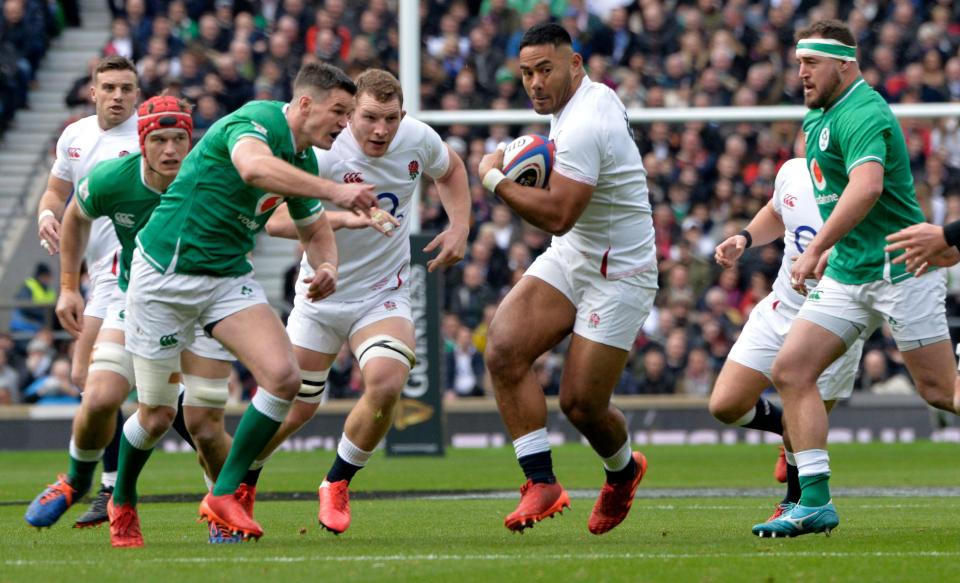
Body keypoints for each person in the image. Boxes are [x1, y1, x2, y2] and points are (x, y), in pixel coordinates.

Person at [114, 62, 375, 547]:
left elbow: (315, 230)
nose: (344, 123)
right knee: (155, 416)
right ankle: (123, 500)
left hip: (226, 277)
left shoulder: (303, 160)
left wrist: (329, 269)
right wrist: (337, 190)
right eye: (338, 111)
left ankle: (226, 493)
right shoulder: (255, 120)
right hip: (165, 276)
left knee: (284, 377)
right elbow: (252, 167)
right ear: (304, 104)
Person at [758, 20, 958, 538]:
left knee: (940, 390)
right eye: (799, 62)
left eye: (811, 63)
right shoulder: (823, 116)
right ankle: (815, 501)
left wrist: (817, 246)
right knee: (792, 369)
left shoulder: (864, 110)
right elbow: (846, 197)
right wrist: (834, 250)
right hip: (850, 271)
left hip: (901, 266)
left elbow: (867, 188)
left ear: (844, 63)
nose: (801, 73)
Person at [249, 68, 470, 534]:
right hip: (320, 294)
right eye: (369, 117)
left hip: (382, 293)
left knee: (388, 381)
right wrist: (343, 218)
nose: (380, 130)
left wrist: (459, 226)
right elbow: (274, 222)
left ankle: (337, 482)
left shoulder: (417, 139)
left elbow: (450, 169)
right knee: (296, 408)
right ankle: (242, 479)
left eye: (390, 118)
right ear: (350, 115)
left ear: (402, 114)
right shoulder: (323, 151)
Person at [22, 97, 237, 545]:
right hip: (134, 296)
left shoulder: (214, 174)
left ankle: (222, 506)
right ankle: (79, 481)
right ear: (142, 142)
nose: (171, 149)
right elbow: (75, 216)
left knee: (204, 426)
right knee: (99, 396)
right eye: (160, 139)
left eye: (180, 138)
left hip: (204, 301)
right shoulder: (114, 178)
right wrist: (67, 286)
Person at [477, 23, 657, 535]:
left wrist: (494, 178)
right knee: (503, 350)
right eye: (527, 73)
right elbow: (566, 227)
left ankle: (623, 473)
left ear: (576, 64)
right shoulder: (576, 103)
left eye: (545, 69)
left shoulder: (585, 123)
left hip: (620, 272)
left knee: (580, 404)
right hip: (575, 255)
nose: (534, 82)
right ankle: (541, 482)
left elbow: (558, 214)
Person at [711, 151, 864, 526]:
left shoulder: (861, 187)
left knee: (802, 420)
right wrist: (745, 238)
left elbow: (871, 243)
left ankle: (796, 501)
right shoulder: (793, 171)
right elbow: (778, 212)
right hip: (781, 305)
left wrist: (829, 255)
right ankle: (788, 428)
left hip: (834, 315)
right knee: (725, 405)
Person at [35, 55, 140, 527]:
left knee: (98, 381)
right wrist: (45, 214)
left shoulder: (147, 137)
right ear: (93, 92)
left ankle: (108, 488)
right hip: (98, 274)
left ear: (137, 94)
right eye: (110, 87)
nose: (118, 96)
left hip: (136, 270)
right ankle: (110, 487)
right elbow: (57, 193)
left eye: (127, 88)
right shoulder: (75, 136)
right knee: (90, 381)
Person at [8, 263, 56, 336]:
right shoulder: (29, 285)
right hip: (24, 326)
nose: (47, 279)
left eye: (48, 276)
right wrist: (43, 314)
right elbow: (25, 306)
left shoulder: (50, 291)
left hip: (41, 326)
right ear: (39, 276)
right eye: (45, 276)